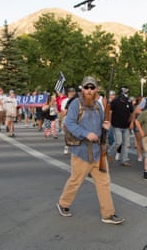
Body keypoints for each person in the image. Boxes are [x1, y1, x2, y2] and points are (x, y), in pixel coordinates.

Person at [56, 76, 125, 225]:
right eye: (86, 87)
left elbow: (102, 124)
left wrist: (106, 126)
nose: (89, 90)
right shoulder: (75, 104)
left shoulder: (98, 106)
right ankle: (63, 203)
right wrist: (86, 134)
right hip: (81, 152)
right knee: (75, 181)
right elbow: (69, 124)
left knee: (104, 183)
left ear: (96, 90)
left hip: (98, 152)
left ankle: (108, 214)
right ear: (82, 88)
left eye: (92, 87)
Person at [108, 86, 134, 167]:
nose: (125, 95)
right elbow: (110, 112)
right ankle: (108, 153)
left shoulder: (128, 101)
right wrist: (109, 122)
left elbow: (132, 112)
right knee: (118, 142)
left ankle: (124, 160)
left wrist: (131, 122)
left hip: (126, 125)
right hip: (116, 125)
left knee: (126, 144)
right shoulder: (115, 101)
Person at [61, 87, 77, 154]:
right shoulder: (65, 101)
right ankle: (67, 146)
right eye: (70, 92)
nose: (71, 93)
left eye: (73, 92)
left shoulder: (77, 100)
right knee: (67, 134)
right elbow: (63, 112)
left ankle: (74, 148)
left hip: (76, 119)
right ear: (68, 93)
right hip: (67, 119)